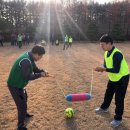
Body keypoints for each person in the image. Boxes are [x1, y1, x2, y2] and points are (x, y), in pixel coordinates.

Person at [7, 45, 49, 130]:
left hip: (20, 85)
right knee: (21, 105)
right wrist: (40, 75)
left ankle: (24, 114)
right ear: (36, 54)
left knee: (25, 98)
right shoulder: (26, 61)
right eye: (41, 56)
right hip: (14, 85)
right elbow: (27, 76)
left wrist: (42, 71)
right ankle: (20, 126)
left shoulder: (30, 57)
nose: (41, 58)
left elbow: (35, 69)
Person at [94, 34, 129, 128]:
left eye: (102, 44)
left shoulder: (117, 54)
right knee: (108, 93)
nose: (101, 46)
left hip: (122, 78)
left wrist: (104, 69)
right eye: (100, 44)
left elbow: (116, 70)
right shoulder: (106, 52)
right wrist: (101, 68)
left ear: (109, 43)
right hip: (113, 77)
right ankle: (104, 107)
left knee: (119, 99)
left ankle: (118, 119)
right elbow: (106, 64)